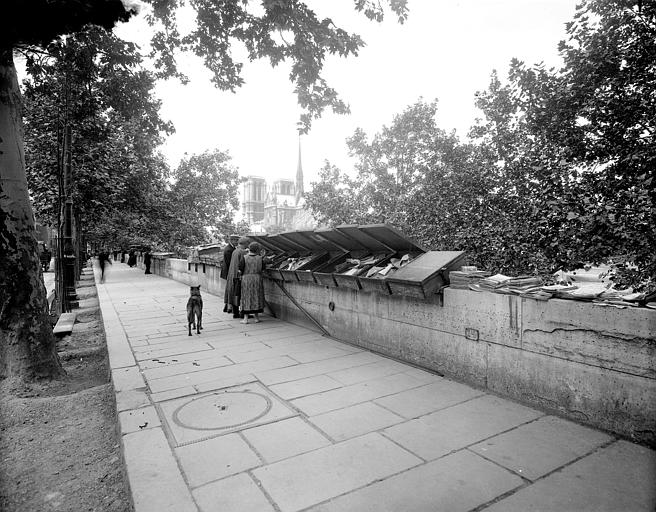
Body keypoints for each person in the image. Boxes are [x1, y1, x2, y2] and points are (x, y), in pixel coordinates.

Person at [239, 242, 266, 324]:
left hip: (246, 279)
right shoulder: (260, 258)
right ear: (257, 250)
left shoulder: (244, 258)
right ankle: (256, 318)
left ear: (249, 249)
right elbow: (263, 269)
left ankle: (245, 319)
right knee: (256, 297)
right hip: (257, 279)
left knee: (246, 297)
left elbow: (240, 270)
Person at [224, 237, 250, 319]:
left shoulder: (235, 251)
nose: (248, 245)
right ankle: (243, 313)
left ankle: (235, 313)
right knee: (240, 294)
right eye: (248, 243)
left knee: (234, 293)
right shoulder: (242, 252)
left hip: (232, 274)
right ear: (245, 243)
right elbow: (244, 264)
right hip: (238, 275)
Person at [221, 234, 240, 313]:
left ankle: (227, 307)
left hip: (228, 272)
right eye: (236, 240)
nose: (237, 242)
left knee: (229, 289)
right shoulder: (229, 250)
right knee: (231, 289)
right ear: (232, 240)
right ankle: (229, 307)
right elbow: (230, 264)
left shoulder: (231, 248)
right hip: (229, 272)